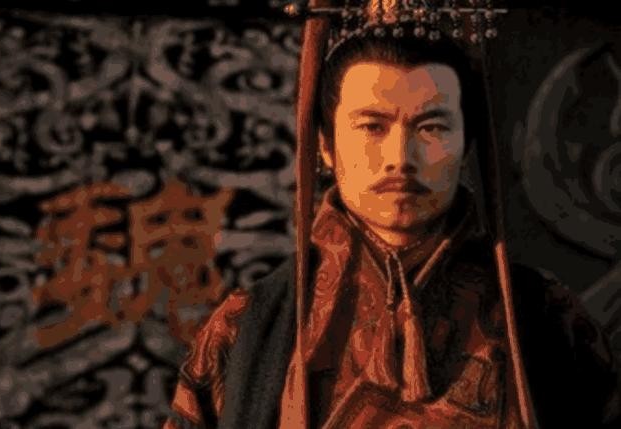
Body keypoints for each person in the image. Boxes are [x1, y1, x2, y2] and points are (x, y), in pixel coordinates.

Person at [163, 1, 621, 428]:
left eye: (431, 127)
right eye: (372, 126)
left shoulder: (546, 320)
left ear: (466, 144)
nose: (400, 157)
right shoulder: (246, 328)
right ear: (325, 145)